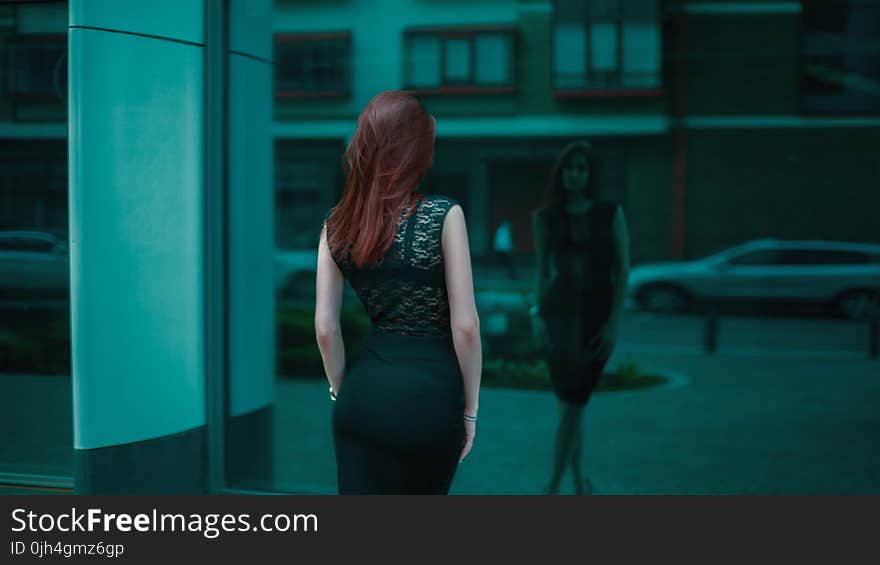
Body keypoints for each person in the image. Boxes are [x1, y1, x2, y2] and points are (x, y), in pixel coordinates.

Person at [314, 91, 482, 494]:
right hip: (430, 399)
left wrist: (342, 388)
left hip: (362, 396)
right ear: (418, 152)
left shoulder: (334, 226)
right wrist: (471, 411)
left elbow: (324, 328)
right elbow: (467, 328)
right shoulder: (445, 214)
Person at [531, 140, 629, 495]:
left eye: (582, 168)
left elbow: (623, 271)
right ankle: (572, 483)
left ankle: (554, 486)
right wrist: (537, 316)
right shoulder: (545, 218)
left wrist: (614, 323)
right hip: (558, 317)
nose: (575, 174)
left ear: (590, 175)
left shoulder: (610, 213)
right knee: (570, 404)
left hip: (596, 318)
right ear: (561, 173)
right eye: (570, 168)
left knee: (575, 401)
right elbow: (542, 273)